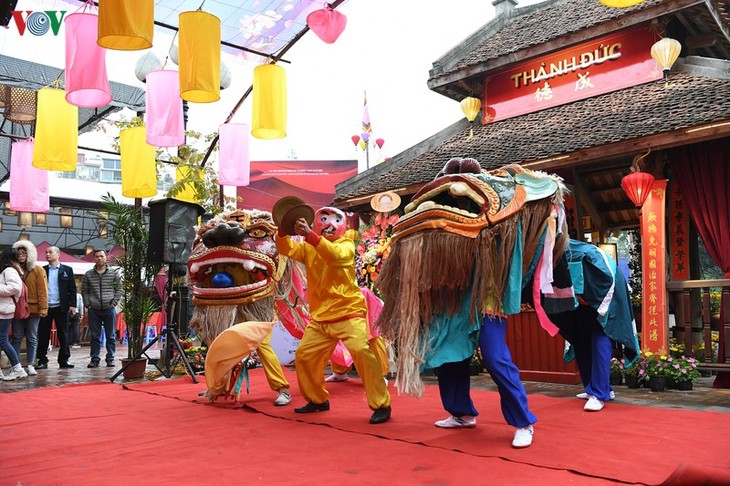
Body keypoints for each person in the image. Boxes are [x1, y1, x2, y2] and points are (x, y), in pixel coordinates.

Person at [275, 206, 392, 424]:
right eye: (324, 218)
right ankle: (317, 399)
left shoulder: (346, 244)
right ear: (315, 222)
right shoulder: (308, 247)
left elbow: (335, 257)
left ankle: (381, 404)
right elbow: (286, 249)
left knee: (361, 351)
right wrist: (284, 228)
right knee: (304, 357)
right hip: (320, 319)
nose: (329, 223)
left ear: (344, 225)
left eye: (335, 219)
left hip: (349, 313)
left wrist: (309, 236)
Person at [10, 241, 49, 376]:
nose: (21, 255)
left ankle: (31, 364)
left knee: (32, 337)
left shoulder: (38, 269)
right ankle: (16, 365)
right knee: (16, 337)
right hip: (17, 308)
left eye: (24, 253)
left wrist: (44, 308)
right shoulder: (12, 268)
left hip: (33, 309)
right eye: (19, 253)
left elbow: (42, 290)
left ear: (29, 254)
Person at [37, 246, 77, 370]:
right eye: (46, 252)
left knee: (63, 334)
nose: (47, 254)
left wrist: (73, 305)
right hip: (46, 307)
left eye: (50, 252)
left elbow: (72, 289)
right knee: (43, 334)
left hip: (62, 307)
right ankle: (42, 360)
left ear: (58, 254)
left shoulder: (67, 270)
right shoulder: (42, 270)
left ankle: (64, 360)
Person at [82, 249, 121, 368]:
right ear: (94, 258)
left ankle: (110, 358)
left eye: (102, 256)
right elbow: (85, 291)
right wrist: (88, 304)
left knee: (111, 335)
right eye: (97, 256)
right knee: (95, 336)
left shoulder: (114, 273)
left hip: (109, 308)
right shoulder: (88, 274)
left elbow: (119, 289)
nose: (99, 258)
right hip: (94, 308)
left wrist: (114, 302)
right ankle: (95, 358)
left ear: (106, 258)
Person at [0, 247, 29, 381]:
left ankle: (17, 368)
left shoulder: (9, 270)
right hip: (4, 308)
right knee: (2, 340)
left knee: (3, 340)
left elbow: (15, 288)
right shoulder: (9, 270)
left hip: (4, 310)